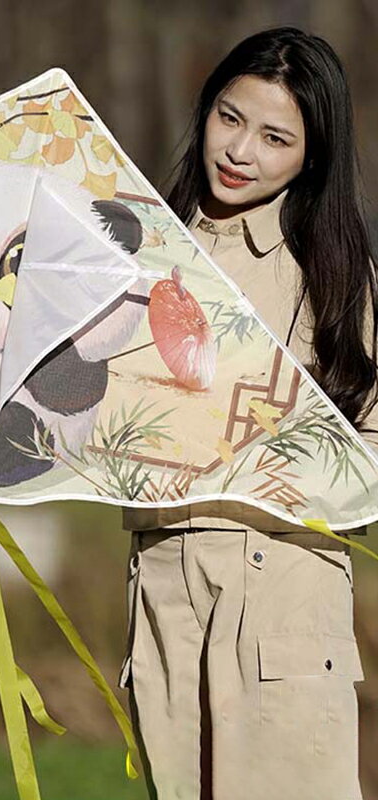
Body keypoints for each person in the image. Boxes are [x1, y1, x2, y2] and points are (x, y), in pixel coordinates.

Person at [117, 26, 378, 800]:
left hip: (285, 596)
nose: (239, 151)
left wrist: (270, 459)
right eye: (230, 118)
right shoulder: (140, 251)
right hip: (163, 592)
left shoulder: (334, 275)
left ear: (311, 155)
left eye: (274, 137)